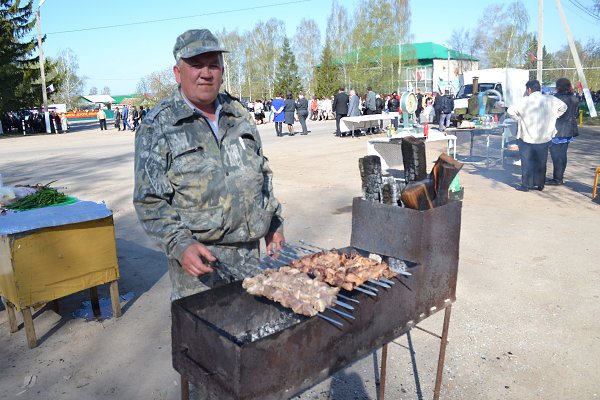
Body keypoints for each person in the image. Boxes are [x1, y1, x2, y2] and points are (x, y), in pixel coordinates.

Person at [133, 29, 285, 303]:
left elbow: (261, 174)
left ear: (222, 71)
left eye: (213, 64)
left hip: (250, 260)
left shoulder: (238, 114)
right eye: (196, 65)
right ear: (178, 72)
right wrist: (179, 244)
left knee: (252, 333)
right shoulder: (159, 126)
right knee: (207, 343)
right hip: (199, 270)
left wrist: (273, 222)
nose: (206, 73)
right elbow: (149, 200)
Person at [507, 79, 567, 192]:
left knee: (527, 161)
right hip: (544, 136)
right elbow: (563, 107)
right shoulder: (550, 99)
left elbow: (510, 111)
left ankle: (526, 185)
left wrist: (519, 118)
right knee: (541, 161)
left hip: (526, 137)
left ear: (529, 89)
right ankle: (540, 184)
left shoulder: (525, 101)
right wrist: (554, 116)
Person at [548, 77, 579, 185]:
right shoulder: (574, 98)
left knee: (555, 155)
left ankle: (557, 179)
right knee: (563, 154)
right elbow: (575, 113)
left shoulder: (555, 98)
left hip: (557, 129)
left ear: (558, 87)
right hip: (569, 129)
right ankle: (559, 177)